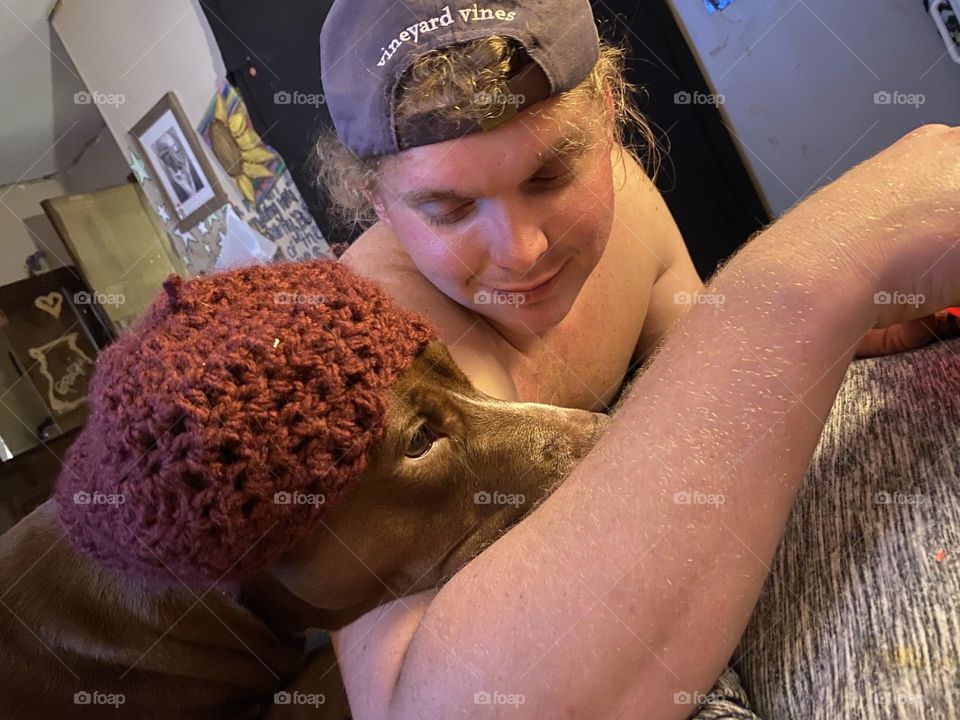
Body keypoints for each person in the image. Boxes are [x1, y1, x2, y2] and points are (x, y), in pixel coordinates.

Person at [313, 1, 960, 717]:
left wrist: (828, 333)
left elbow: (689, 372)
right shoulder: (362, 358)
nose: (522, 251)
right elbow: (424, 708)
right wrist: (821, 265)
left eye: (551, 173)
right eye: (450, 209)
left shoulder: (628, 200)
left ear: (610, 113)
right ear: (374, 201)